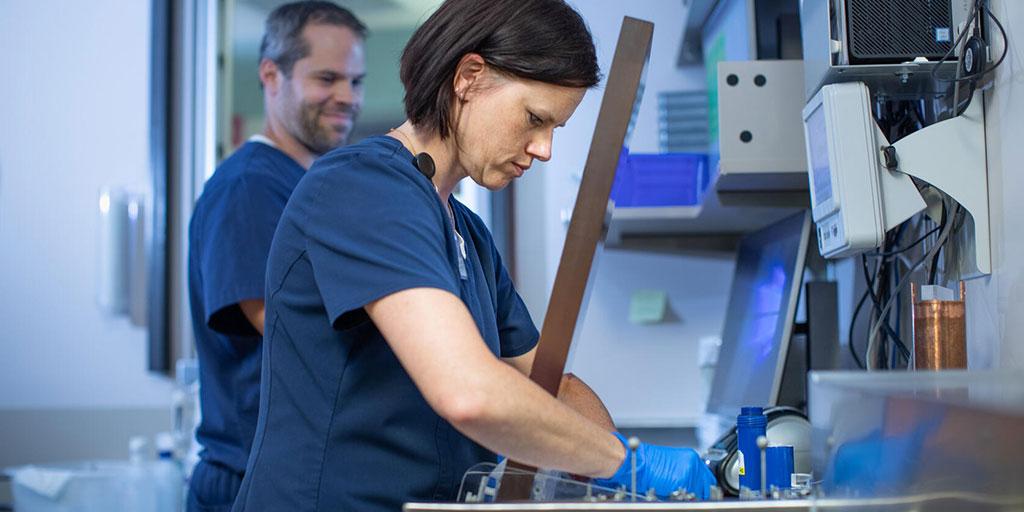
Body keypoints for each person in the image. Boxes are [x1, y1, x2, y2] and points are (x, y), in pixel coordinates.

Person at [231, 1, 716, 510]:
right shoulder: (362, 188)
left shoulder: (468, 233)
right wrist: (626, 465)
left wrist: (625, 475)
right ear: (468, 77)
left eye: (555, 130)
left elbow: (553, 385)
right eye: (534, 118)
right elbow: (467, 391)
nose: (544, 148)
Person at [186, 2, 366, 511]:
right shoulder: (249, 189)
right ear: (271, 75)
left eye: (356, 81)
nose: (346, 98)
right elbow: (298, 329)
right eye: (327, 78)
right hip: (252, 485)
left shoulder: (310, 188)